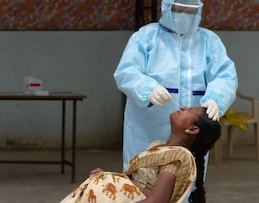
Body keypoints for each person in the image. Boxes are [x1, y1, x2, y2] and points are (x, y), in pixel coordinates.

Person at [113, 0, 237, 173]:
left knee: (186, 178)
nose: (184, 15)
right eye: (179, 10)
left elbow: (225, 76)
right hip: (147, 127)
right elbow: (126, 72)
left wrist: (217, 99)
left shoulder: (209, 41)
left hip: (190, 133)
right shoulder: (145, 37)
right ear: (166, 7)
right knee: (143, 178)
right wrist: (147, 89)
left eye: (190, 11)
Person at [60, 107, 220, 203]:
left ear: (192, 130)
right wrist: (108, 177)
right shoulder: (159, 148)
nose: (184, 107)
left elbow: (156, 201)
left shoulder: (176, 159)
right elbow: (137, 183)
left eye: (190, 110)